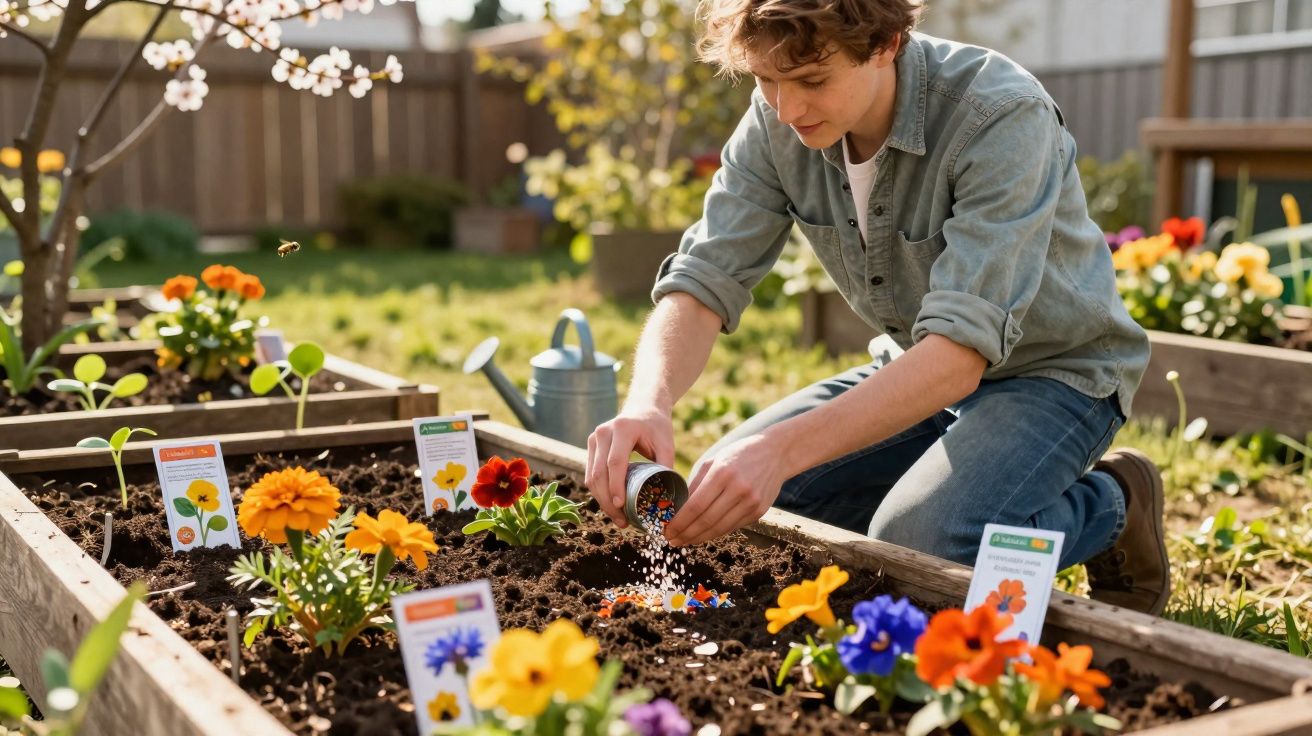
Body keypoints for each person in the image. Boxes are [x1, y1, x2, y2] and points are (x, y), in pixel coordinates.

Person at [583, 0, 1168, 615]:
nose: (787, 109)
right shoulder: (776, 122)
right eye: (765, 80)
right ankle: (939, 485)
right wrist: (648, 401)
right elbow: (703, 279)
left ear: (887, 42)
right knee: (747, 506)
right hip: (914, 370)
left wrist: (782, 451)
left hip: (1056, 375)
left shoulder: (999, 115)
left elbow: (959, 354)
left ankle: (1114, 504)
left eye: (811, 81)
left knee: (924, 543)